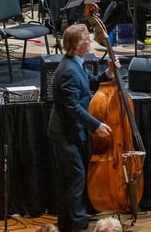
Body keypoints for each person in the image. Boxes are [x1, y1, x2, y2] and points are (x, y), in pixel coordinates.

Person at [47, 23, 116, 232]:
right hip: (65, 134)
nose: (91, 40)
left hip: (72, 131)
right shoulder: (68, 70)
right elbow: (72, 108)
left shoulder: (76, 62)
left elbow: (90, 83)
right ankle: (78, 227)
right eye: (87, 38)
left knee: (71, 181)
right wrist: (95, 125)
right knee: (75, 180)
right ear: (78, 44)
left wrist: (108, 73)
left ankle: (68, 225)